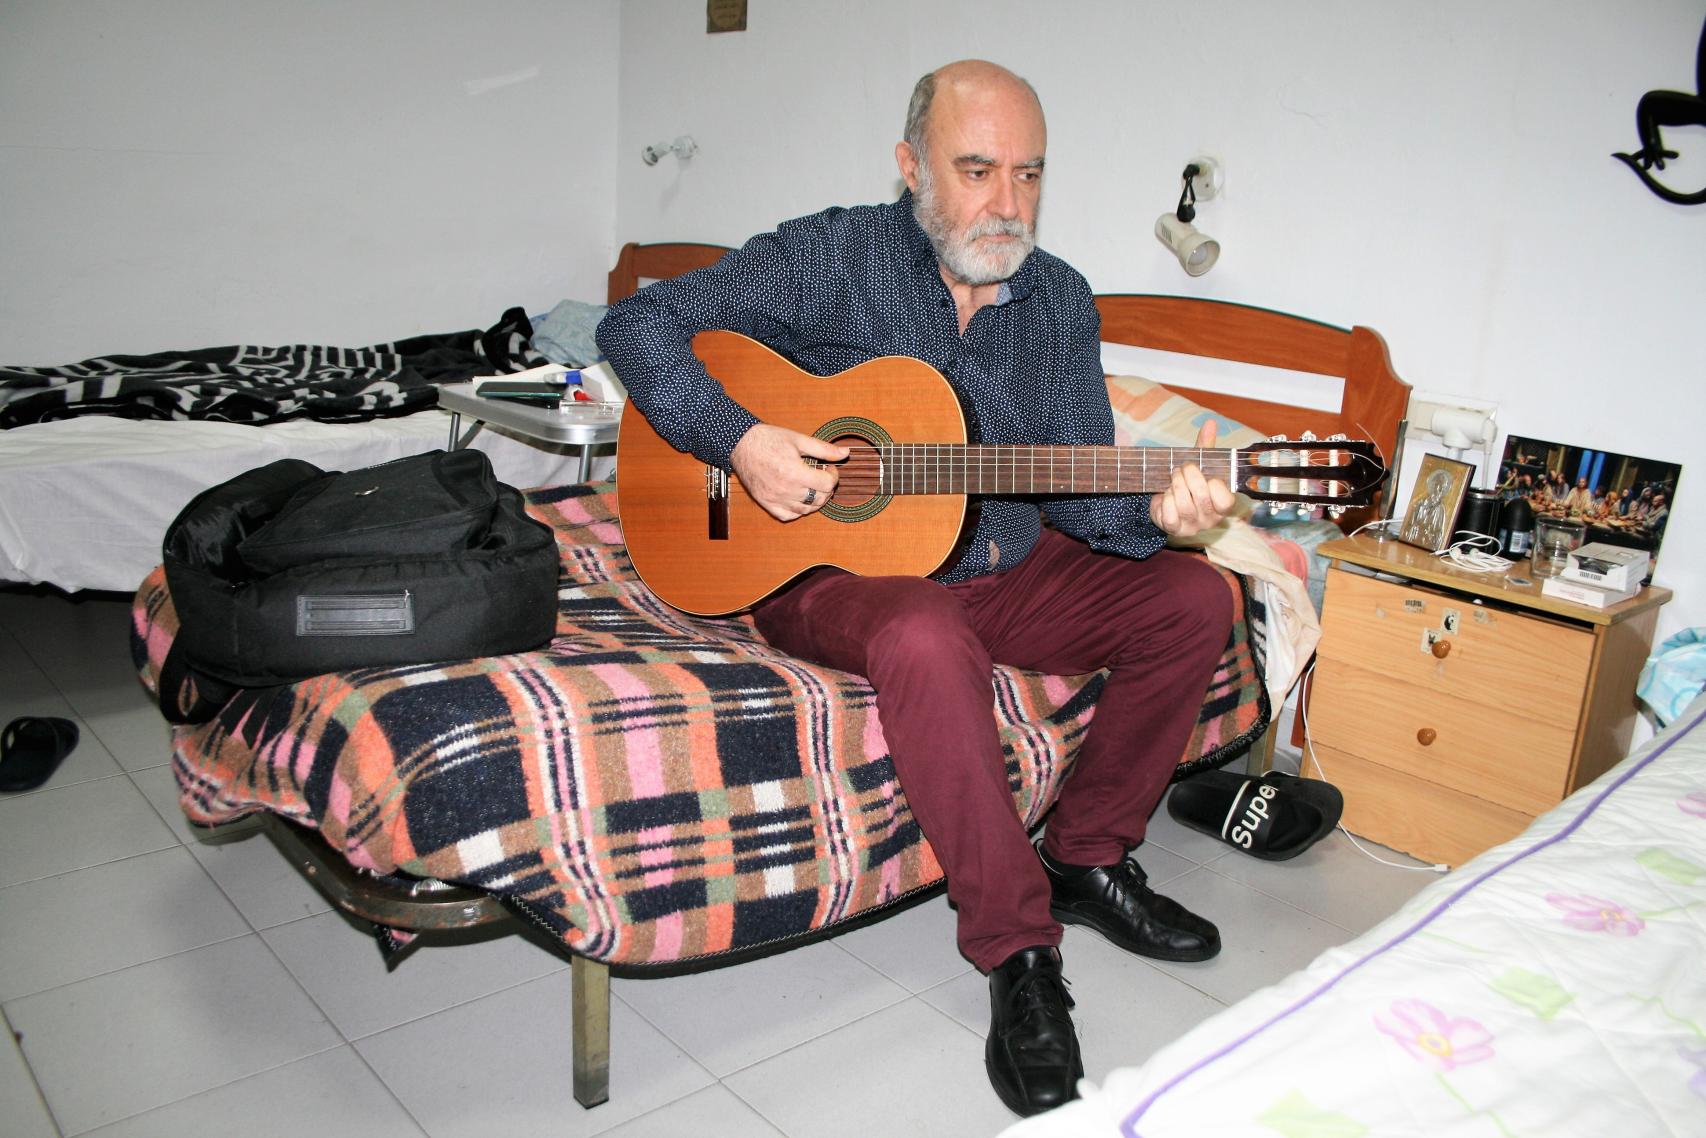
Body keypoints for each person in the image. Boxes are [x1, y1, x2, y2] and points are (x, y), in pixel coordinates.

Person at [597, 60, 1236, 1117]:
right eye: (977, 170)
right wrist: (741, 439)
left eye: (1028, 174)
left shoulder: (1058, 299)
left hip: (1004, 565)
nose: (1007, 203)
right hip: (827, 572)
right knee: (928, 632)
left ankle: (1086, 856)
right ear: (910, 166)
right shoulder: (830, 257)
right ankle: (1018, 951)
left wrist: (1159, 518)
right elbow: (637, 325)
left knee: (1195, 598)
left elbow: (1082, 489)